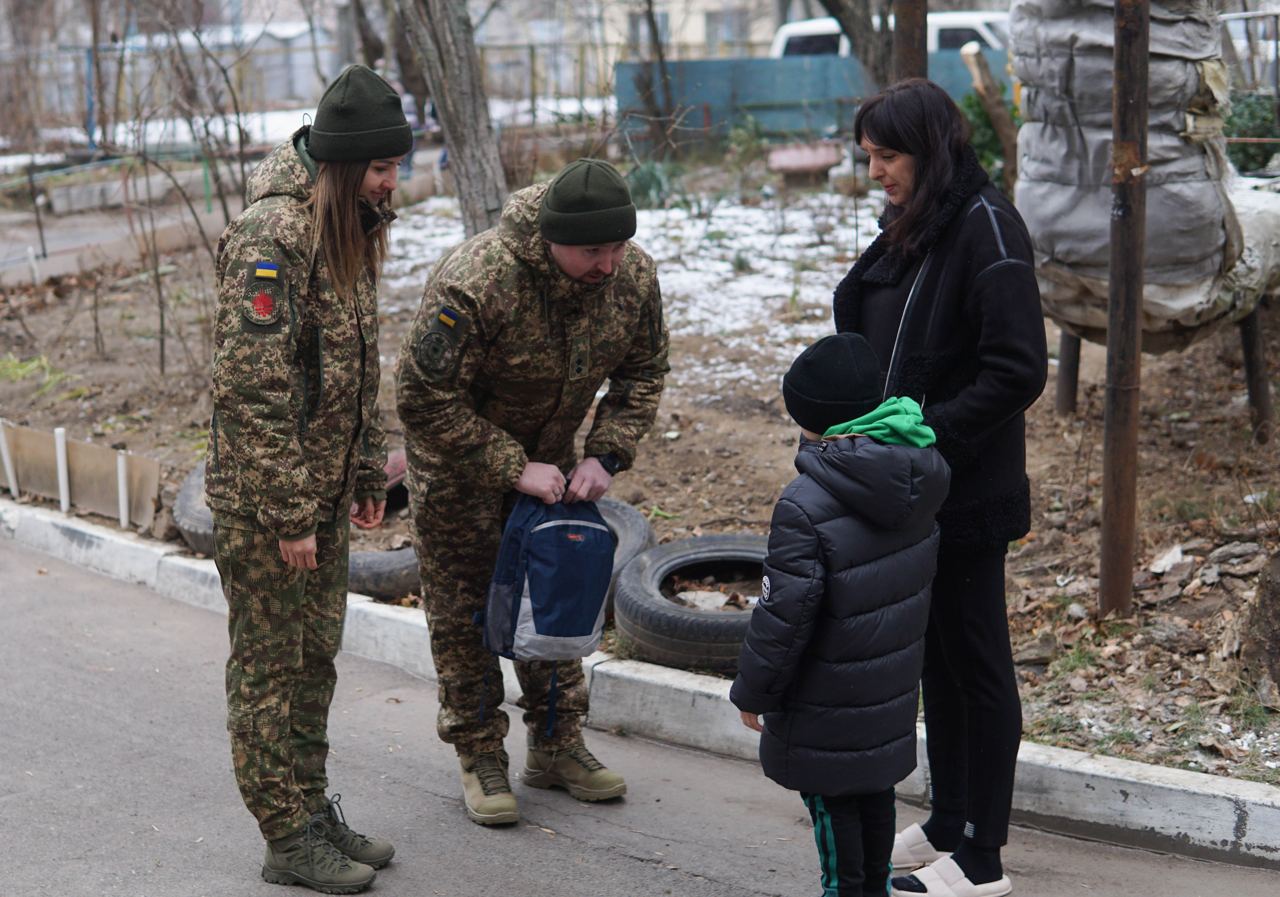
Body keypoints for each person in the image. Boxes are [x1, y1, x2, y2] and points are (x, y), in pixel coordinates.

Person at [395, 158, 669, 826]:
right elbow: (422, 395)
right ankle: (479, 751)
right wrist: (510, 464)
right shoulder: (478, 281)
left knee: (555, 604)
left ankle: (556, 743)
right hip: (460, 473)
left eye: (617, 246)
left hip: (554, 474)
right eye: (591, 250)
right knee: (464, 615)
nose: (607, 263)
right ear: (551, 241)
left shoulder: (632, 278)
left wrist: (605, 454)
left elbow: (643, 373)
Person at [833, 79, 1048, 897]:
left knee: (978, 662)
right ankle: (951, 821)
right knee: (938, 661)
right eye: (870, 159)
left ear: (930, 149)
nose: (876, 172)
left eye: (887, 157)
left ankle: (983, 859)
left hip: (965, 488)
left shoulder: (986, 228)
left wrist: (928, 429)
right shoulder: (923, 222)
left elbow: (1018, 366)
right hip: (916, 487)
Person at [206, 63, 410, 894]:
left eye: (397, 165)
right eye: (381, 167)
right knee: (270, 665)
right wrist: (290, 510)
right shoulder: (273, 238)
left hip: (321, 492)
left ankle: (309, 805)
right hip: (268, 502)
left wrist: (366, 468)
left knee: (316, 657)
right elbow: (251, 387)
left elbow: (358, 360)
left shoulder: (350, 224)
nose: (393, 182)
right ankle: (284, 834)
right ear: (341, 165)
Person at [732, 333, 950, 897]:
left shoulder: (805, 504)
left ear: (809, 421)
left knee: (831, 816)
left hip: (824, 700)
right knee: (874, 794)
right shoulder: (918, 472)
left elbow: (783, 614)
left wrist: (755, 692)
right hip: (889, 690)